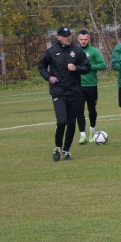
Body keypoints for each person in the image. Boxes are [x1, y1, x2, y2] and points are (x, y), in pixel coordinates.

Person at [37, 26, 90, 160]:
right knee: (62, 121)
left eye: (69, 35)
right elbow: (41, 66)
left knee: (71, 123)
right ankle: (57, 147)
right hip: (58, 92)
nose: (68, 38)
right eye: (65, 35)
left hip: (74, 92)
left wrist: (76, 68)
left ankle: (66, 150)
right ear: (58, 37)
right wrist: (48, 77)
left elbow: (87, 67)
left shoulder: (77, 50)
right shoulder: (51, 52)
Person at [75, 29, 106, 144]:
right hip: (77, 86)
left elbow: (103, 65)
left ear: (89, 39)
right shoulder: (74, 51)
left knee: (92, 109)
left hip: (91, 85)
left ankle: (92, 130)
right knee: (79, 110)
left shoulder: (94, 51)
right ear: (78, 39)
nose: (83, 42)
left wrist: (88, 66)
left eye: (85, 39)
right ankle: (82, 134)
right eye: (81, 39)